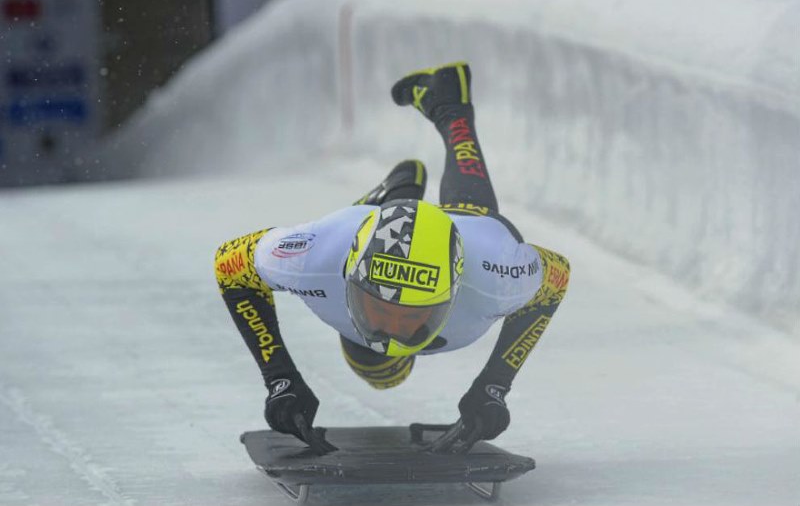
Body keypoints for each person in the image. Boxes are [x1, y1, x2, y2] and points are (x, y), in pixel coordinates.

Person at [214, 62, 570, 454]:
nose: (395, 331)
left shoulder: (496, 271)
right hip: (349, 231)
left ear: (454, 290)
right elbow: (231, 263)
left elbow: (557, 277)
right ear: (350, 274)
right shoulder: (315, 252)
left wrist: (494, 385)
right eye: (381, 311)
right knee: (378, 368)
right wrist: (279, 378)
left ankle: (444, 111)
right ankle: (441, 118)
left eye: (415, 316)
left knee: (472, 222)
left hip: (469, 241)